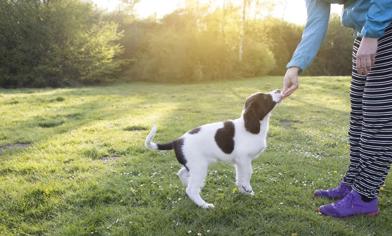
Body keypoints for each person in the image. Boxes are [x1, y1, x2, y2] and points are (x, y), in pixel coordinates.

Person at [281, 0, 392, 218]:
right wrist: (295, 66)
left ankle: (365, 197)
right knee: (359, 116)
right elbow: (316, 23)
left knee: (377, 116)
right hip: (365, 34)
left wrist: (372, 35)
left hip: (384, 29)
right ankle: (354, 182)